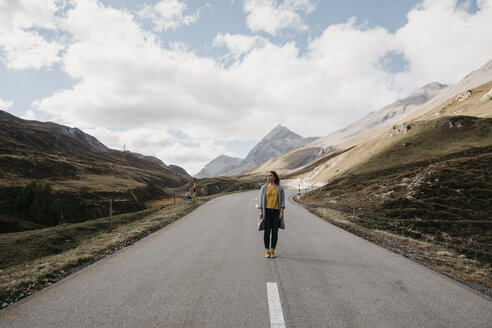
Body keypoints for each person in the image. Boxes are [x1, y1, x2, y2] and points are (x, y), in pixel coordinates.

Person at [258, 171, 285, 258]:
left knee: (275, 232)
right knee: (267, 232)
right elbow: (260, 200)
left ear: (274, 177)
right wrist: (261, 211)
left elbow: (283, 202)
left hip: (276, 212)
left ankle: (272, 250)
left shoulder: (280, 188)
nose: (268, 177)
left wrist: (281, 212)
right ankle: (266, 251)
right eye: (267, 176)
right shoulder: (264, 188)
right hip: (267, 212)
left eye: (270, 176)